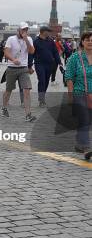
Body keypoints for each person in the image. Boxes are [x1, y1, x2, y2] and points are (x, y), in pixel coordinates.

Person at [64, 32, 92, 160]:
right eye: (87, 40)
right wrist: (70, 95)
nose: (90, 42)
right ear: (82, 42)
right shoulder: (75, 57)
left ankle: (80, 143)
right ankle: (86, 147)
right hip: (80, 92)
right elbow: (69, 77)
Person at [1, 22, 36, 122]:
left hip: (23, 68)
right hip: (12, 68)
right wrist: (13, 60)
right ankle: (4, 107)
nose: (25, 31)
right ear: (19, 30)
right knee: (9, 90)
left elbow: (32, 51)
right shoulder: (11, 39)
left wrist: (26, 40)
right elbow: (6, 52)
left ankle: (28, 115)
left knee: (27, 90)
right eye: (23, 30)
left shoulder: (28, 39)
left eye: (26, 30)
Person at [33, 26, 62, 107]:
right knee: (41, 80)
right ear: (43, 31)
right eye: (48, 31)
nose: (49, 32)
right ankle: (41, 100)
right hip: (39, 64)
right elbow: (31, 53)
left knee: (46, 81)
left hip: (49, 64)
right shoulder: (35, 41)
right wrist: (29, 65)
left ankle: (42, 96)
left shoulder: (50, 41)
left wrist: (59, 62)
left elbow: (55, 52)